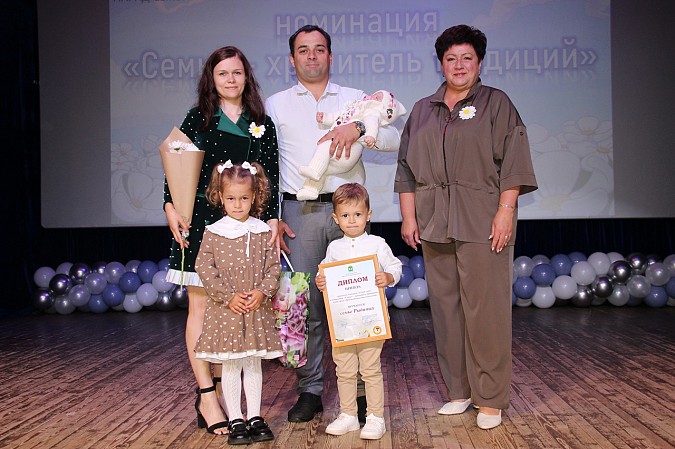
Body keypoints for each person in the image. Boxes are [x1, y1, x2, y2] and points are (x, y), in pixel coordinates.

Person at [394, 24, 538, 430]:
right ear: (440, 63)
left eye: (467, 58)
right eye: (451, 58)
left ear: (480, 62)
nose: (459, 66)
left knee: (485, 311)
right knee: (445, 310)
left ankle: (489, 398)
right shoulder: (422, 109)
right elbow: (405, 169)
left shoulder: (497, 103)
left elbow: (514, 161)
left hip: (482, 221)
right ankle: (459, 390)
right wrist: (409, 216)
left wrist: (506, 210)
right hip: (433, 223)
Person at [264, 24, 401, 424]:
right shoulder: (275, 104)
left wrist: (359, 127)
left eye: (319, 49)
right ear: (292, 59)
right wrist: (273, 215)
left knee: (353, 301)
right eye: (303, 50)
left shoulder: (355, 98)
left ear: (330, 55)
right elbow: (266, 163)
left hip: (348, 214)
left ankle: (358, 393)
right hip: (299, 213)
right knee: (305, 305)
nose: (312, 55)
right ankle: (309, 390)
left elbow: (394, 139)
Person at [163, 46, 279, 435]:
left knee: (235, 311)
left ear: (247, 76)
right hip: (198, 223)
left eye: (237, 72)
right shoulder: (197, 118)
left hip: (247, 229)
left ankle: (231, 397)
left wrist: (272, 219)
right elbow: (175, 164)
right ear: (211, 80)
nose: (231, 79)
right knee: (201, 309)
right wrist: (169, 205)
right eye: (222, 73)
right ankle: (207, 397)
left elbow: (272, 174)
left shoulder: (262, 122)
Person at [194, 161, 282, 445]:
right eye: (231, 198)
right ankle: (235, 419)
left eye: (244, 198)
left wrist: (262, 292)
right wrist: (227, 296)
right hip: (227, 311)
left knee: (253, 363)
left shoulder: (261, 231)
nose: (237, 204)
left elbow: (273, 267)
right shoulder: (214, 231)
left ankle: (254, 416)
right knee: (231, 365)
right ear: (220, 196)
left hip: (255, 310)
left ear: (254, 196)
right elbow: (204, 267)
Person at [314, 183, 402, 440]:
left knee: (370, 369)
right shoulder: (334, 248)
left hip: (370, 318)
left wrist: (388, 276)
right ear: (336, 218)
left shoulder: (377, 244)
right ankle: (349, 415)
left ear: (368, 215)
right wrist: (321, 280)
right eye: (345, 215)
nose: (352, 221)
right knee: (344, 369)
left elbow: (395, 266)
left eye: (357, 214)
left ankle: (375, 417)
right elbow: (324, 271)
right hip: (342, 321)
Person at [296, 90, 406, 200]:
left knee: (325, 146)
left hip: (347, 196)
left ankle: (314, 170)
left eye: (377, 98)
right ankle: (310, 190)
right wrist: (325, 118)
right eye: (374, 94)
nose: (372, 97)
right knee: (323, 169)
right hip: (294, 200)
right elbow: (338, 116)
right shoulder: (354, 108)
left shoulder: (369, 109)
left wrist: (360, 129)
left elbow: (380, 128)